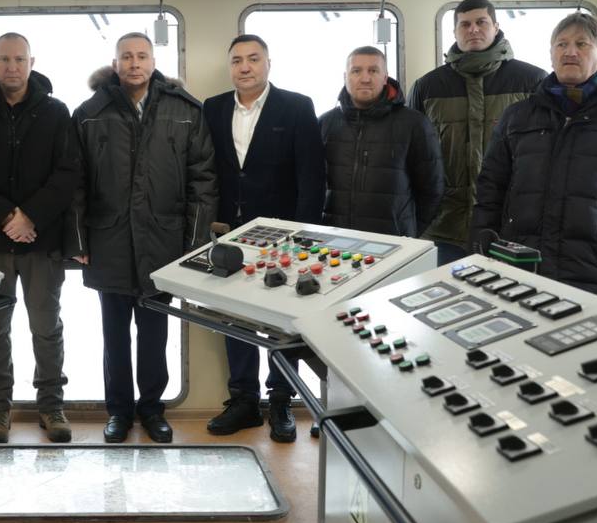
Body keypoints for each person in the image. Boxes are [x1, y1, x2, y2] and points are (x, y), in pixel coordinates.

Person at [70, 33, 216, 444]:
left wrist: (194, 245)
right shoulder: (89, 113)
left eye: (142, 56)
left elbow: (203, 181)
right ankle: (118, 412)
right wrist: (78, 242)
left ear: (153, 61)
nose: (134, 63)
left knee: (155, 334)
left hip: (163, 242)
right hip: (109, 240)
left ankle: (152, 410)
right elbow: (74, 182)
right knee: (114, 336)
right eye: (127, 57)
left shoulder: (185, 110)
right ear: (115, 63)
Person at [472, 12, 597, 300]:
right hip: (520, 266)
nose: (570, 52)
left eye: (582, 44)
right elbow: (490, 188)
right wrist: (480, 250)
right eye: (562, 44)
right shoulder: (517, 117)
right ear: (551, 54)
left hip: (595, 270)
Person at [0, 32, 80, 444]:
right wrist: (8, 216)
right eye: (4, 59)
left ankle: (51, 407)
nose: (12, 67)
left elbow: (68, 173)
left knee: (47, 327)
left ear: (31, 62)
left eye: (19, 59)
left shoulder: (57, 112)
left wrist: (30, 216)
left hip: (42, 241)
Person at [201, 34, 325, 442]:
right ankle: (244, 401)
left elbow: (311, 175)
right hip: (228, 233)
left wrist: (305, 235)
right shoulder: (213, 107)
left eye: (253, 59)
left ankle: (281, 401)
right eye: (237, 60)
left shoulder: (297, 106)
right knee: (232, 316)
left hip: (283, 234)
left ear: (268, 63)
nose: (245, 67)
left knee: (279, 320)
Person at [408, 0, 545, 265]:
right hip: (443, 227)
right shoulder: (427, 87)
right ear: (455, 32)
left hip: (511, 225)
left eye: (481, 22)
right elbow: (414, 157)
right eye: (465, 24)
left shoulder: (532, 81)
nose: (473, 29)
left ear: (496, 27)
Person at [320, 45, 444, 237]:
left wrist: (408, 232)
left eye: (373, 70)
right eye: (356, 71)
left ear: (385, 77)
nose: (365, 78)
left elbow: (432, 189)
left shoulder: (414, 124)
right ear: (345, 77)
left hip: (394, 242)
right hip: (334, 240)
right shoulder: (325, 123)